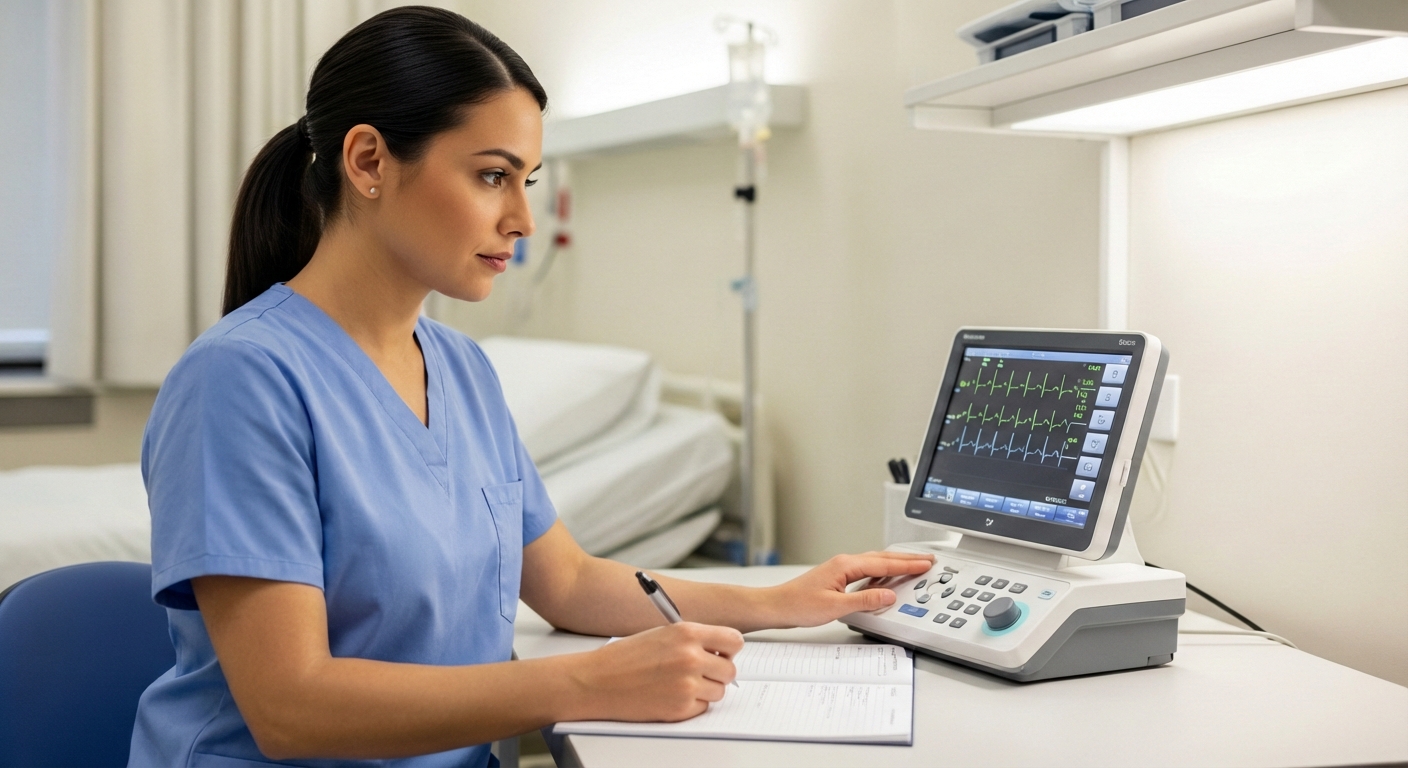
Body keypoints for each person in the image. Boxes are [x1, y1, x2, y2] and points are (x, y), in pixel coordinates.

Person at [129, 7, 933, 767]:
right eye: (490, 176)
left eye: (528, 183)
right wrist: (589, 682)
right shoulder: (241, 380)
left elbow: (568, 582)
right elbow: (289, 707)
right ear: (369, 161)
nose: (520, 219)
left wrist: (780, 602)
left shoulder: (461, 368)